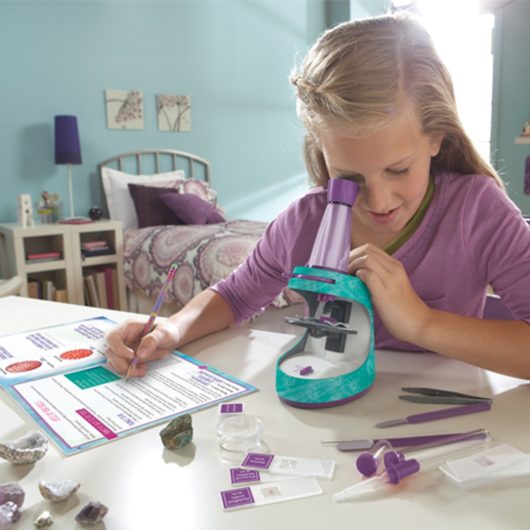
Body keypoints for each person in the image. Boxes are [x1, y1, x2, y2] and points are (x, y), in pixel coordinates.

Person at [106, 12, 530, 379]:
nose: (378, 201)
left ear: (437, 137)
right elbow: (234, 296)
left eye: (398, 169)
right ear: (321, 150)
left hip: (449, 418)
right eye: (347, 176)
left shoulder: (478, 211)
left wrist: (420, 323)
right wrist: (171, 330)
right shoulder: (304, 221)